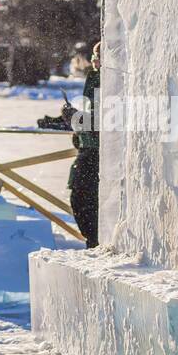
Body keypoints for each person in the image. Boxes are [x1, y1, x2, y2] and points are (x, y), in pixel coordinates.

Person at [67, 41, 101, 247]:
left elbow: (104, 120)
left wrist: (75, 119)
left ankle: (95, 240)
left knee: (84, 199)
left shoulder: (110, 80)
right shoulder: (95, 77)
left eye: (98, 57)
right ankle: (92, 240)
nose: (95, 61)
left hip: (97, 153)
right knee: (81, 198)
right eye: (94, 57)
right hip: (88, 148)